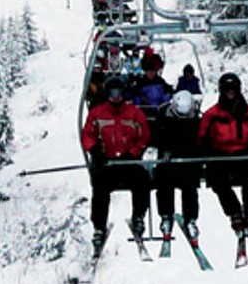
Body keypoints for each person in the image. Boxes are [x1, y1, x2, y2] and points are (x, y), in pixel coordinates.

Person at [198, 72, 248, 263]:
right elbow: (202, 136)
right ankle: (235, 212)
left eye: (233, 90)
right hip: (221, 155)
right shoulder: (213, 113)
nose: (230, 94)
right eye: (227, 90)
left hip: (242, 153)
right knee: (216, 179)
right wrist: (209, 150)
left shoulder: (246, 111)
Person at [79, 78, 151, 259]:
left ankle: (138, 217)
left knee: (142, 180)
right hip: (108, 162)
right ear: (107, 94)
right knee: (100, 187)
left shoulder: (134, 113)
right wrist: (95, 151)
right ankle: (99, 226)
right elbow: (87, 133)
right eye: (112, 93)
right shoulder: (98, 113)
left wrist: (134, 153)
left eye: (119, 93)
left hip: (128, 162)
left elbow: (144, 136)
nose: (116, 97)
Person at [150, 85, 201, 250]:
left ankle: (191, 218)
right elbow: (157, 136)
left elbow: (199, 139)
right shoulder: (163, 116)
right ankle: (166, 216)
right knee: (164, 182)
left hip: (186, 159)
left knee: (190, 185)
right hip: (169, 160)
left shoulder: (195, 119)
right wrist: (165, 150)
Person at [132, 50, 172, 115]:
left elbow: (168, 92)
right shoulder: (140, 83)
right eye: (148, 71)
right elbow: (135, 96)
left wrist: (165, 99)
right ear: (145, 71)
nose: (150, 73)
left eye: (153, 71)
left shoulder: (160, 82)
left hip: (160, 111)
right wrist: (140, 100)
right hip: (144, 111)